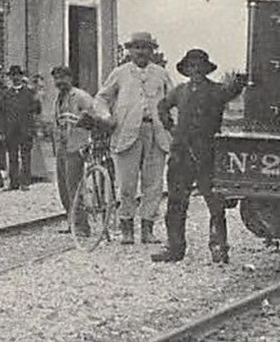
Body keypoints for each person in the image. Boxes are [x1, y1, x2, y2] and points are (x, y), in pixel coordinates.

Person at [154, 49, 247, 263]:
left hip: (207, 153)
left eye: (199, 67)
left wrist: (240, 81)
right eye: (191, 67)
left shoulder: (217, 91)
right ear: (186, 70)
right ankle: (175, 249)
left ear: (206, 69)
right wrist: (171, 128)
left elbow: (232, 89)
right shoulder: (179, 91)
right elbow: (162, 106)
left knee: (215, 203)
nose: (195, 70)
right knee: (176, 203)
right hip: (181, 153)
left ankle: (219, 248)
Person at [96, 31, 172, 245]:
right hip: (126, 133)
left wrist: (172, 126)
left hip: (155, 133)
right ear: (130, 50)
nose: (141, 52)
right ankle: (126, 228)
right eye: (137, 47)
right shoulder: (120, 73)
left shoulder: (160, 73)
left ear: (152, 50)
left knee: (154, 184)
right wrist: (106, 116)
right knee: (127, 184)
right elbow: (101, 98)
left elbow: (172, 101)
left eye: (146, 47)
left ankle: (148, 229)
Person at [51, 64, 110, 228]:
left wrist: (88, 129)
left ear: (70, 78)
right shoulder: (58, 99)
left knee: (74, 186)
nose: (59, 81)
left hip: (78, 145)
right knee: (63, 187)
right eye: (56, 78)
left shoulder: (80, 96)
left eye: (63, 78)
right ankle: (72, 220)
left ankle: (82, 225)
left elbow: (96, 115)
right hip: (63, 146)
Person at [0, 64, 41, 190]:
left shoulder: (29, 93)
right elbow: (1, 113)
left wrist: (36, 102)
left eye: (17, 75)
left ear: (21, 77)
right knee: (12, 157)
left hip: (25, 129)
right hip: (11, 130)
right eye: (13, 75)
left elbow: (37, 110)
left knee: (26, 156)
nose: (15, 78)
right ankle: (14, 182)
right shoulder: (6, 94)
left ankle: (25, 182)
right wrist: (1, 131)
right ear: (10, 78)